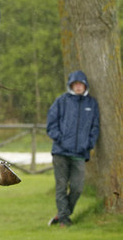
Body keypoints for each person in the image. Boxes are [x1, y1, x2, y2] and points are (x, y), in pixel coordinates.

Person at [46, 70, 100, 227]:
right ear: (71, 85)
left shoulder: (92, 104)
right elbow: (51, 123)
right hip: (60, 152)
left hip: (80, 153)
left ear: (85, 85)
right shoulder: (61, 101)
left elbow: (95, 127)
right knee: (61, 187)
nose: (78, 87)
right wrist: (61, 139)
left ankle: (62, 214)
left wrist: (88, 144)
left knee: (77, 188)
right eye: (75, 84)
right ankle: (64, 220)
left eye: (80, 84)